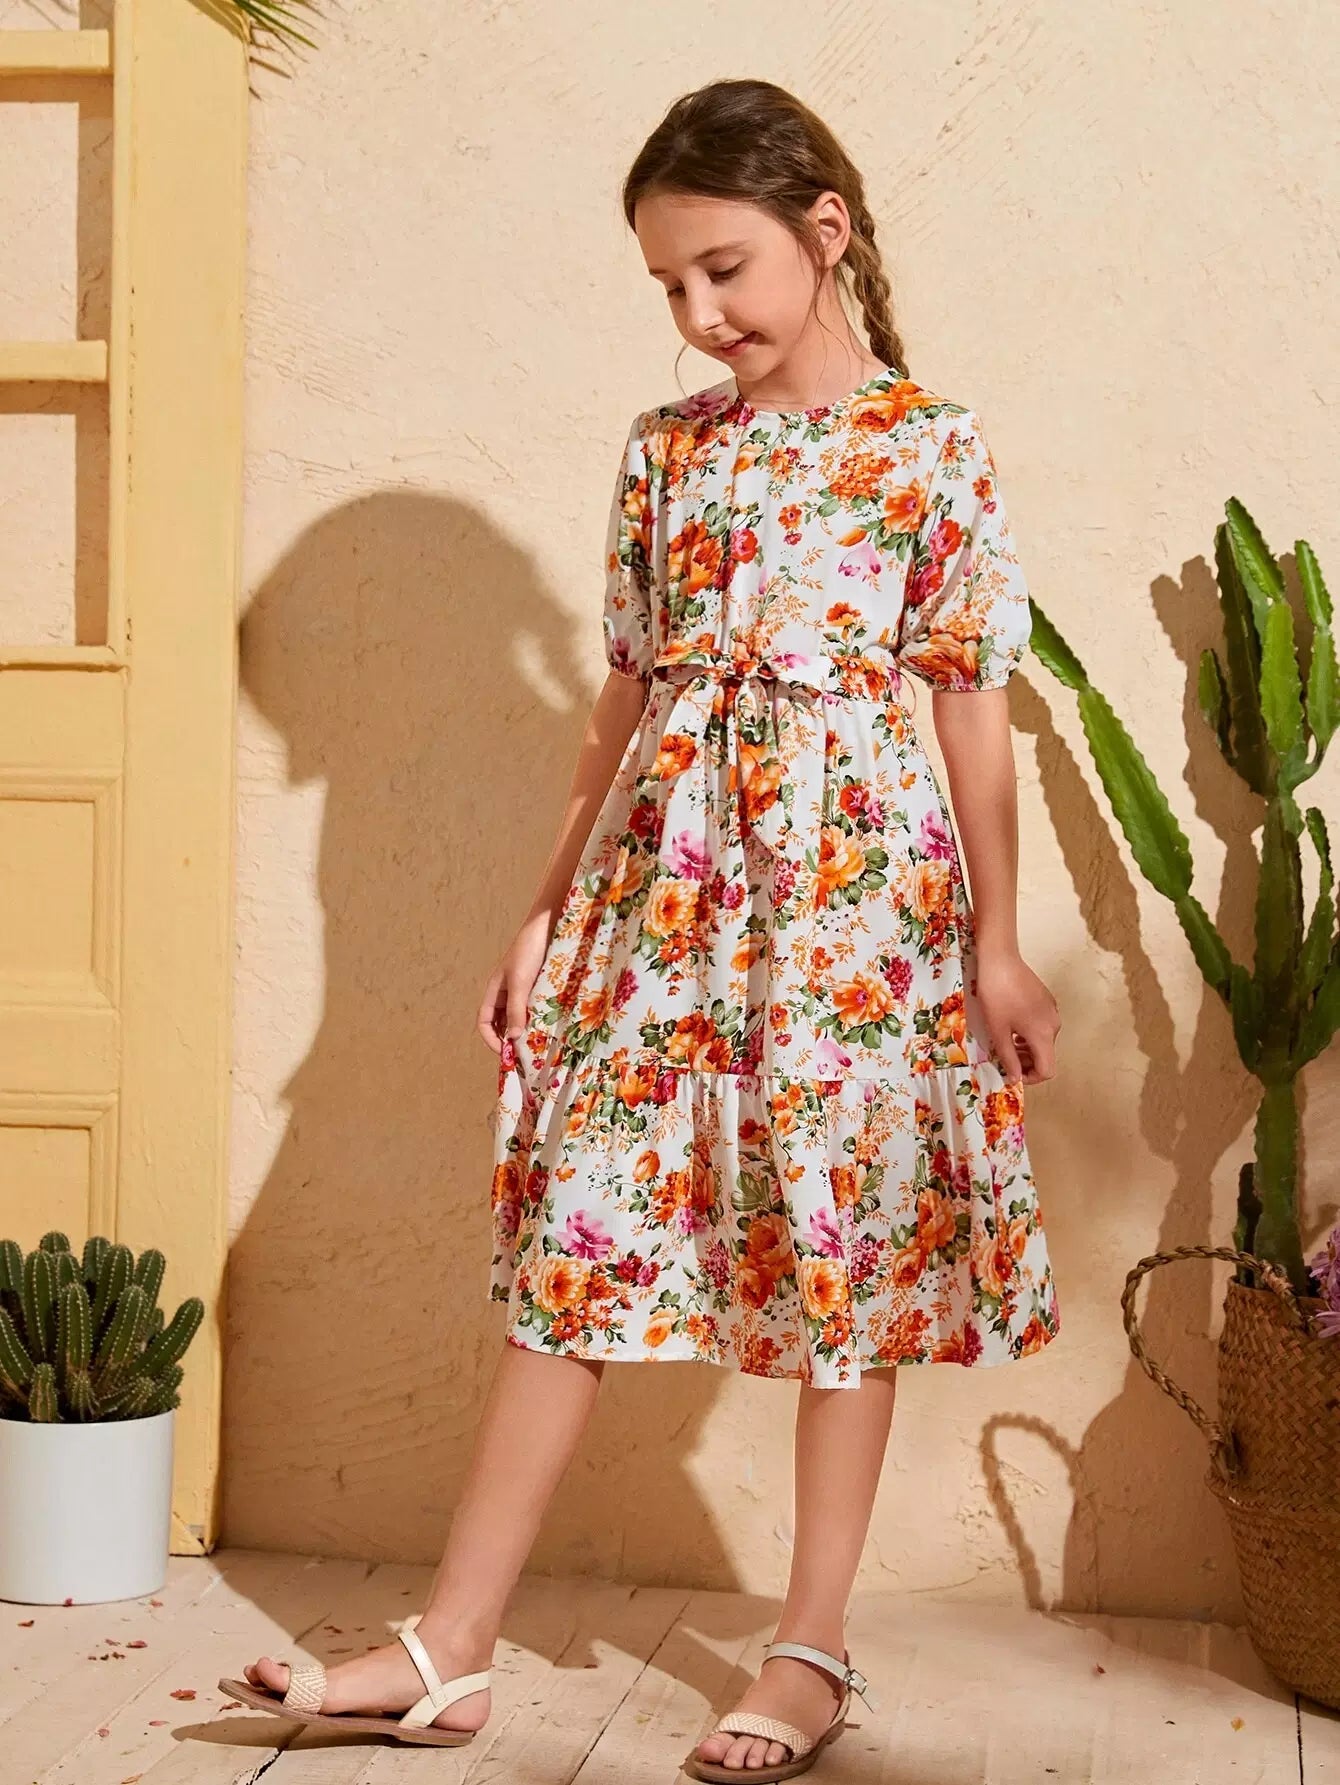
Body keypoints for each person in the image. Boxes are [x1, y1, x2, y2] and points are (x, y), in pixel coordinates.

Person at [229, 75, 1062, 1783]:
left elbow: (972, 709)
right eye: (670, 285)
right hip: (662, 902)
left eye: (723, 269)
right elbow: (619, 705)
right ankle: (451, 1645)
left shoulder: (932, 447)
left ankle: (810, 1649)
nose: (698, 314)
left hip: (857, 913)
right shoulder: (667, 450)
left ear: (825, 231)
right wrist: (545, 912)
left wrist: (996, 944)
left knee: (845, 1264)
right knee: (581, 1241)